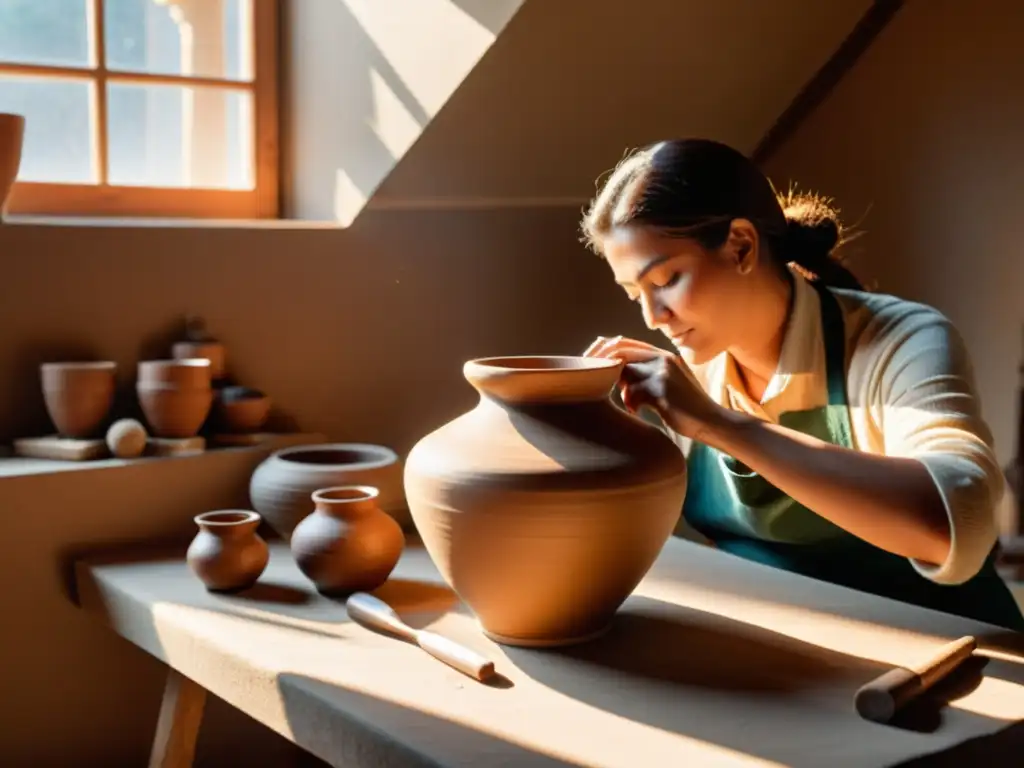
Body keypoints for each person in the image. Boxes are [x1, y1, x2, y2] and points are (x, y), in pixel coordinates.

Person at [581, 138, 1023, 630]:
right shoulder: (688, 371)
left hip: (954, 652)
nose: (653, 316)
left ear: (741, 247)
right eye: (633, 293)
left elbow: (955, 521)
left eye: (665, 280)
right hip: (803, 649)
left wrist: (719, 425)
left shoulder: (899, 340)